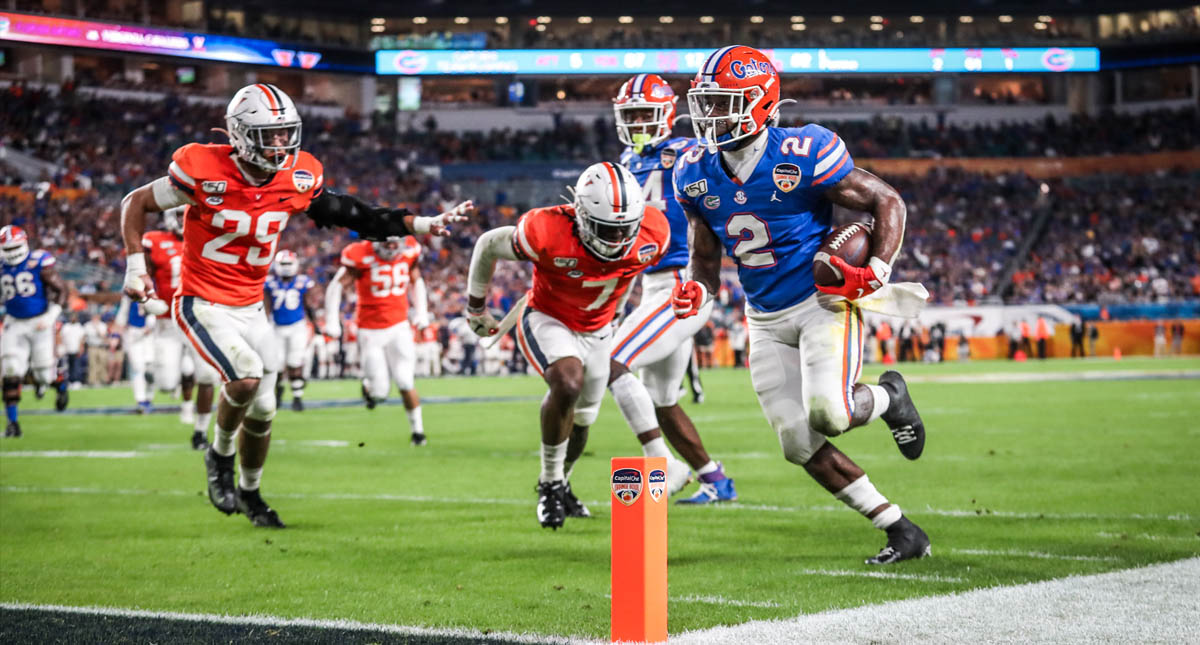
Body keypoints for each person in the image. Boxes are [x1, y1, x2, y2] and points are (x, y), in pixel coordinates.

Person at [119, 83, 470, 528]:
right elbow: (136, 202)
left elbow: (352, 213)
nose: (283, 144)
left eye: (287, 133)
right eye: (272, 135)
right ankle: (219, 456)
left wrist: (418, 223)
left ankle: (250, 491)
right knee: (245, 376)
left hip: (251, 307)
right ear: (242, 134)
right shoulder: (203, 168)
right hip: (202, 300)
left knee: (266, 409)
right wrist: (135, 267)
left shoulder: (296, 176)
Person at [671, 45, 930, 564]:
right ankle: (900, 529)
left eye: (724, 103)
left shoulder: (804, 149)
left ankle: (887, 398)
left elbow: (888, 201)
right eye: (707, 103)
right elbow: (705, 258)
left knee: (830, 414)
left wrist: (876, 271)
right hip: (763, 318)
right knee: (796, 442)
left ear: (760, 102)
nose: (711, 116)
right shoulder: (693, 170)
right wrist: (695, 290)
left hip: (821, 305)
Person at [466, 162, 670, 529]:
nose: (616, 239)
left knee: (583, 421)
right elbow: (487, 244)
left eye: (624, 228)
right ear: (581, 214)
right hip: (548, 317)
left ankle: (562, 482)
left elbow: (625, 278)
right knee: (567, 382)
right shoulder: (546, 229)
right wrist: (475, 306)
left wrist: (616, 316)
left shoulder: (653, 233)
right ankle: (550, 484)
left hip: (599, 327)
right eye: (607, 229)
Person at [607, 73, 737, 504]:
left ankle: (662, 463)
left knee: (610, 362)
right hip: (652, 284)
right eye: (633, 114)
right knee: (662, 400)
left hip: (683, 283)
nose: (641, 121)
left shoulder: (688, 152)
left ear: (667, 115)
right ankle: (715, 479)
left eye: (647, 112)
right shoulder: (625, 162)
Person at [326, 236, 431, 446]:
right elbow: (336, 286)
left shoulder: (409, 250)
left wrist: (422, 312)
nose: (392, 248)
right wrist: (331, 320)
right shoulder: (360, 254)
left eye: (395, 243)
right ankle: (369, 388)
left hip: (399, 327)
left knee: (405, 380)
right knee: (380, 392)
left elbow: (416, 279)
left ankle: (418, 432)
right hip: (370, 331)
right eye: (387, 243)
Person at [143, 207, 218, 448]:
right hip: (167, 321)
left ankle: (200, 431)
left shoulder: (208, 239)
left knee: (208, 376)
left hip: (198, 318)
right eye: (178, 214)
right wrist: (147, 299)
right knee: (166, 383)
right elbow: (142, 277)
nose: (183, 219)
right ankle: (154, 373)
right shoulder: (154, 241)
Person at [1, 225, 69, 438]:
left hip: (40, 322)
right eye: (7, 249)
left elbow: (62, 290)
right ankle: (13, 424)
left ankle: (59, 382)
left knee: (42, 374)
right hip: (14, 323)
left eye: (15, 248)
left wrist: (51, 316)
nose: (12, 253)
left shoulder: (38, 261)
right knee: (10, 369)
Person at [264, 250, 316, 412]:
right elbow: (266, 307)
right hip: (276, 327)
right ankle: (278, 392)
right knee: (277, 364)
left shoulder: (303, 281)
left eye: (288, 264)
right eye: (283, 264)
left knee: (295, 362)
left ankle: (297, 397)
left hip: (297, 327)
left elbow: (308, 305)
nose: (286, 268)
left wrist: (317, 326)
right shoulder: (270, 282)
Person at [115, 295, 155, 413]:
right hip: (134, 333)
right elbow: (122, 314)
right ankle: (141, 401)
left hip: (152, 335)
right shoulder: (129, 293)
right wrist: (116, 335)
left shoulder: (154, 288)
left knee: (150, 370)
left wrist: (152, 324)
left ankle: (149, 397)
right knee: (138, 368)